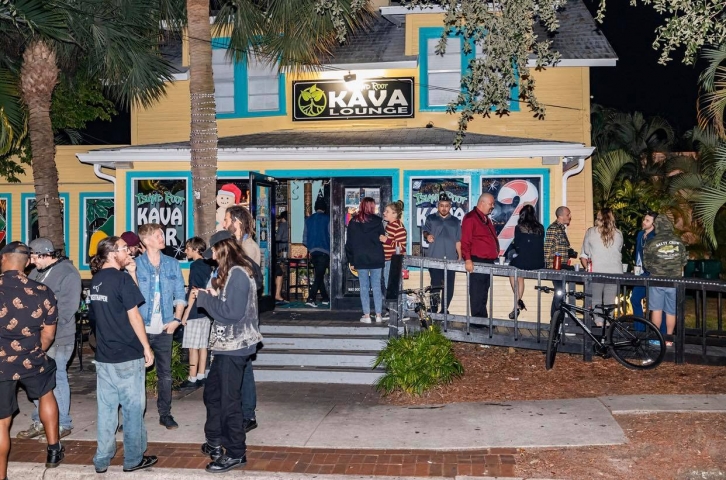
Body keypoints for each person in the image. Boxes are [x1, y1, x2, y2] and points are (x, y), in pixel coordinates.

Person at [193, 233, 262, 473]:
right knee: (213, 394)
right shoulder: (233, 273)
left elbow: (232, 313)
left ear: (222, 249)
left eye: (212, 251)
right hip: (226, 345)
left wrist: (204, 298)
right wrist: (213, 295)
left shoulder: (238, 274)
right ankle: (215, 439)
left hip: (235, 346)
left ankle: (235, 453)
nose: (211, 257)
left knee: (228, 401)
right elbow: (232, 306)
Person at [89, 236, 157, 473]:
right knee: (132, 409)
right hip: (127, 355)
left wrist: (131, 271)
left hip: (104, 356)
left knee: (107, 410)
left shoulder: (96, 281)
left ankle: (102, 459)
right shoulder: (121, 279)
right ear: (111, 253)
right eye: (124, 249)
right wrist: (146, 347)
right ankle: (133, 459)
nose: (129, 251)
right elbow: (135, 315)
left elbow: (95, 318)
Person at [0, 242, 64, 479]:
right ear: (27, 263)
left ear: (2, 259)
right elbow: (48, 333)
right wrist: (35, 351)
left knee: (2, 421)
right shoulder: (42, 291)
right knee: (46, 394)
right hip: (32, 358)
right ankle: (54, 450)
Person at [15, 238, 81, 442]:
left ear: (45, 254)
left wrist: (42, 324)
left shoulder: (69, 274)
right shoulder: (36, 273)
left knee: (57, 378)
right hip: (35, 337)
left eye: (34, 256)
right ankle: (41, 420)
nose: (31, 261)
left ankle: (63, 423)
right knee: (36, 379)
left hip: (59, 337)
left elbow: (69, 310)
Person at [133, 223, 186, 430]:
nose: (162, 238)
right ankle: (135, 415)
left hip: (165, 326)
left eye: (162, 234)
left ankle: (165, 414)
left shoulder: (172, 264)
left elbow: (180, 295)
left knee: (165, 373)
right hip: (141, 328)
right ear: (146, 241)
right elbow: (130, 300)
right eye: (157, 235)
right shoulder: (135, 265)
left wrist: (176, 320)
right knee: (136, 373)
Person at [643, 214, 688, 346]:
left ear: (657, 226)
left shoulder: (652, 242)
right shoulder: (679, 241)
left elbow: (646, 264)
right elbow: (684, 261)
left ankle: (656, 337)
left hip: (657, 280)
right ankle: (669, 339)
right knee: (671, 311)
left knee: (656, 310)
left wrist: (656, 269)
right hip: (674, 282)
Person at [579, 208, 624, 326]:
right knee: (610, 301)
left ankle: (599, 323)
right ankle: (608, 325)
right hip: (615, 272)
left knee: (596, 299)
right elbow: (619, 249)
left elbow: (586, 252)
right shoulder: (618, 233)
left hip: (597, 271)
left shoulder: (591, 232)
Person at [180, 237, 214, 389]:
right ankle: (201, 374)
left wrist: (186, 312)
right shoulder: (208, 265)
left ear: (195, 249)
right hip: (206, 310)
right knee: (202, 345)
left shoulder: (195, 265)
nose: (186, 251)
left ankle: (192, 377)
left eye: (188, 248)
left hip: (195, 310)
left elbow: (194, 290)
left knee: (192, 346)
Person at [345, 197, 386, 323]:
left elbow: (349, 243)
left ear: (361, 206)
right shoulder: (378, 221)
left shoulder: (353, 222)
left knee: (364, 287)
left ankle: (367, 315)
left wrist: (351, 259)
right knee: (377, 286)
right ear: (372, 206)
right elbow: (382, 238)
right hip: (376, 257)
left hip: (360, 258)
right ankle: (378, 314)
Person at [422, 191, 461, 314]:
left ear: (450, 206)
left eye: (447, 205)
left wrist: (460, 255)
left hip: (450, 258)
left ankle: (444, 310)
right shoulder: (431, 218)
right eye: (441, 205)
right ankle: (433, 310)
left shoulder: (455, 221)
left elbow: (458, 240)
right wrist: (428, 236)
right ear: (438, 206)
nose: (444, 208)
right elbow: (425, 232)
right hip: (435, 257)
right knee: (435, 286)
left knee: (449, 286)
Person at [461, 193, 499, 319]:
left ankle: (483, 319)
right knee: (477, 292)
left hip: (488, 261)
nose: (492, 206)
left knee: (483, 292)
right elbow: (465, 241)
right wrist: (467, 259)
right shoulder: (471, 218)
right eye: (491, 204)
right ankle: (477, 321)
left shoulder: (485, 219)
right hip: (477, 260)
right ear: (482, 203)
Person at [507, 205, 544, 319]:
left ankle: (518, 302)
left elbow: (517, 245)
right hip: (538, 262)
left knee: (512, 270)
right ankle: (517, 306)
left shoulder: (519, 227)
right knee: (520, 274)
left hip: (524, 261)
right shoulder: (541, 227)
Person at [543, 206, 575, 316]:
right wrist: (549, 267)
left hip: (562, 267)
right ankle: (555, 322)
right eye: (567, 214)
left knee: (560, 294)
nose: (569, 217)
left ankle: (557, 321)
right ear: (560, 216)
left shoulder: (561, 229)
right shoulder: (553, 228)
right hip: (555, 267)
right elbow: (547, 248)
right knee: (559, 294)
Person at [380, 200, 407, 316]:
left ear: (395, 214)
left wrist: (387, 240)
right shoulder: (390, 226)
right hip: (388, 261)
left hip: (394, 262)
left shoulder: (398, 226)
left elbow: (401, 247)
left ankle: (400, 312)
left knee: (394, 287)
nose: (384, 213)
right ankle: (394, 311)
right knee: (390, 287)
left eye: (387, 211)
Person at [303, 197, 331, 308]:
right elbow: (331, 235)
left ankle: (325, 298)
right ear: (325, 208)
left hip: (313, 251)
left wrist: (310, 247)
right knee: (319, 275)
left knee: (319, 274)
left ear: (315, 208)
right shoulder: (328, 219)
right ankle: (311, 298)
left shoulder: (308, 220)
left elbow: (304, 239)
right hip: (324, 250)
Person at [631, 211, 658, 319]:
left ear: (654, 223)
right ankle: (639, 330)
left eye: (647, 220)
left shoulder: (656, 236)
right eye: (644, 219)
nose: (644, 222)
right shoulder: (640, 234)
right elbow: (638, 253)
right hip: (641, 273)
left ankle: (661, 333)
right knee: (635, 299)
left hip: (653, 274)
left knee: (656, 305)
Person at [274, 211, 289, 304]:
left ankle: (277, 293)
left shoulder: (283, 225)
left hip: (281, 249)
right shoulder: (291, 225)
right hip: (288, 249)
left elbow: (278, 238)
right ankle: (278, 294)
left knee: (279, 270)